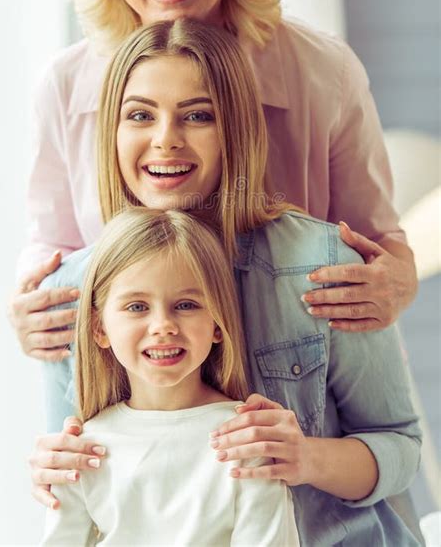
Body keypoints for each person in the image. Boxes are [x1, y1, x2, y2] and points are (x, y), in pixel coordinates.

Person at [9, 0, 418, 366]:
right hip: (141, 387)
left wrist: (397, 281)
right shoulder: (64, 86)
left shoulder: (324, 73)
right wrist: (26, 303)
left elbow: (377, 242)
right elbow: (54, 247)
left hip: (292, 383)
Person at [32, 19, 421, 546]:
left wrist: (304, 457)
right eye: (140, 115)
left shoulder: (320, 263)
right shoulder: (74, 289)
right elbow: (75, 467)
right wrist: (52, 470)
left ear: (233, 129)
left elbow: (400, 450)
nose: (165, 140)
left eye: (197, 116)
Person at [41, 207, 299, 546]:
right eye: (137, 307)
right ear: (99, 328)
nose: (163, 325)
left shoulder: (247, 439)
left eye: (186, 305)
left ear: (218, 322)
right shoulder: (83, 451)